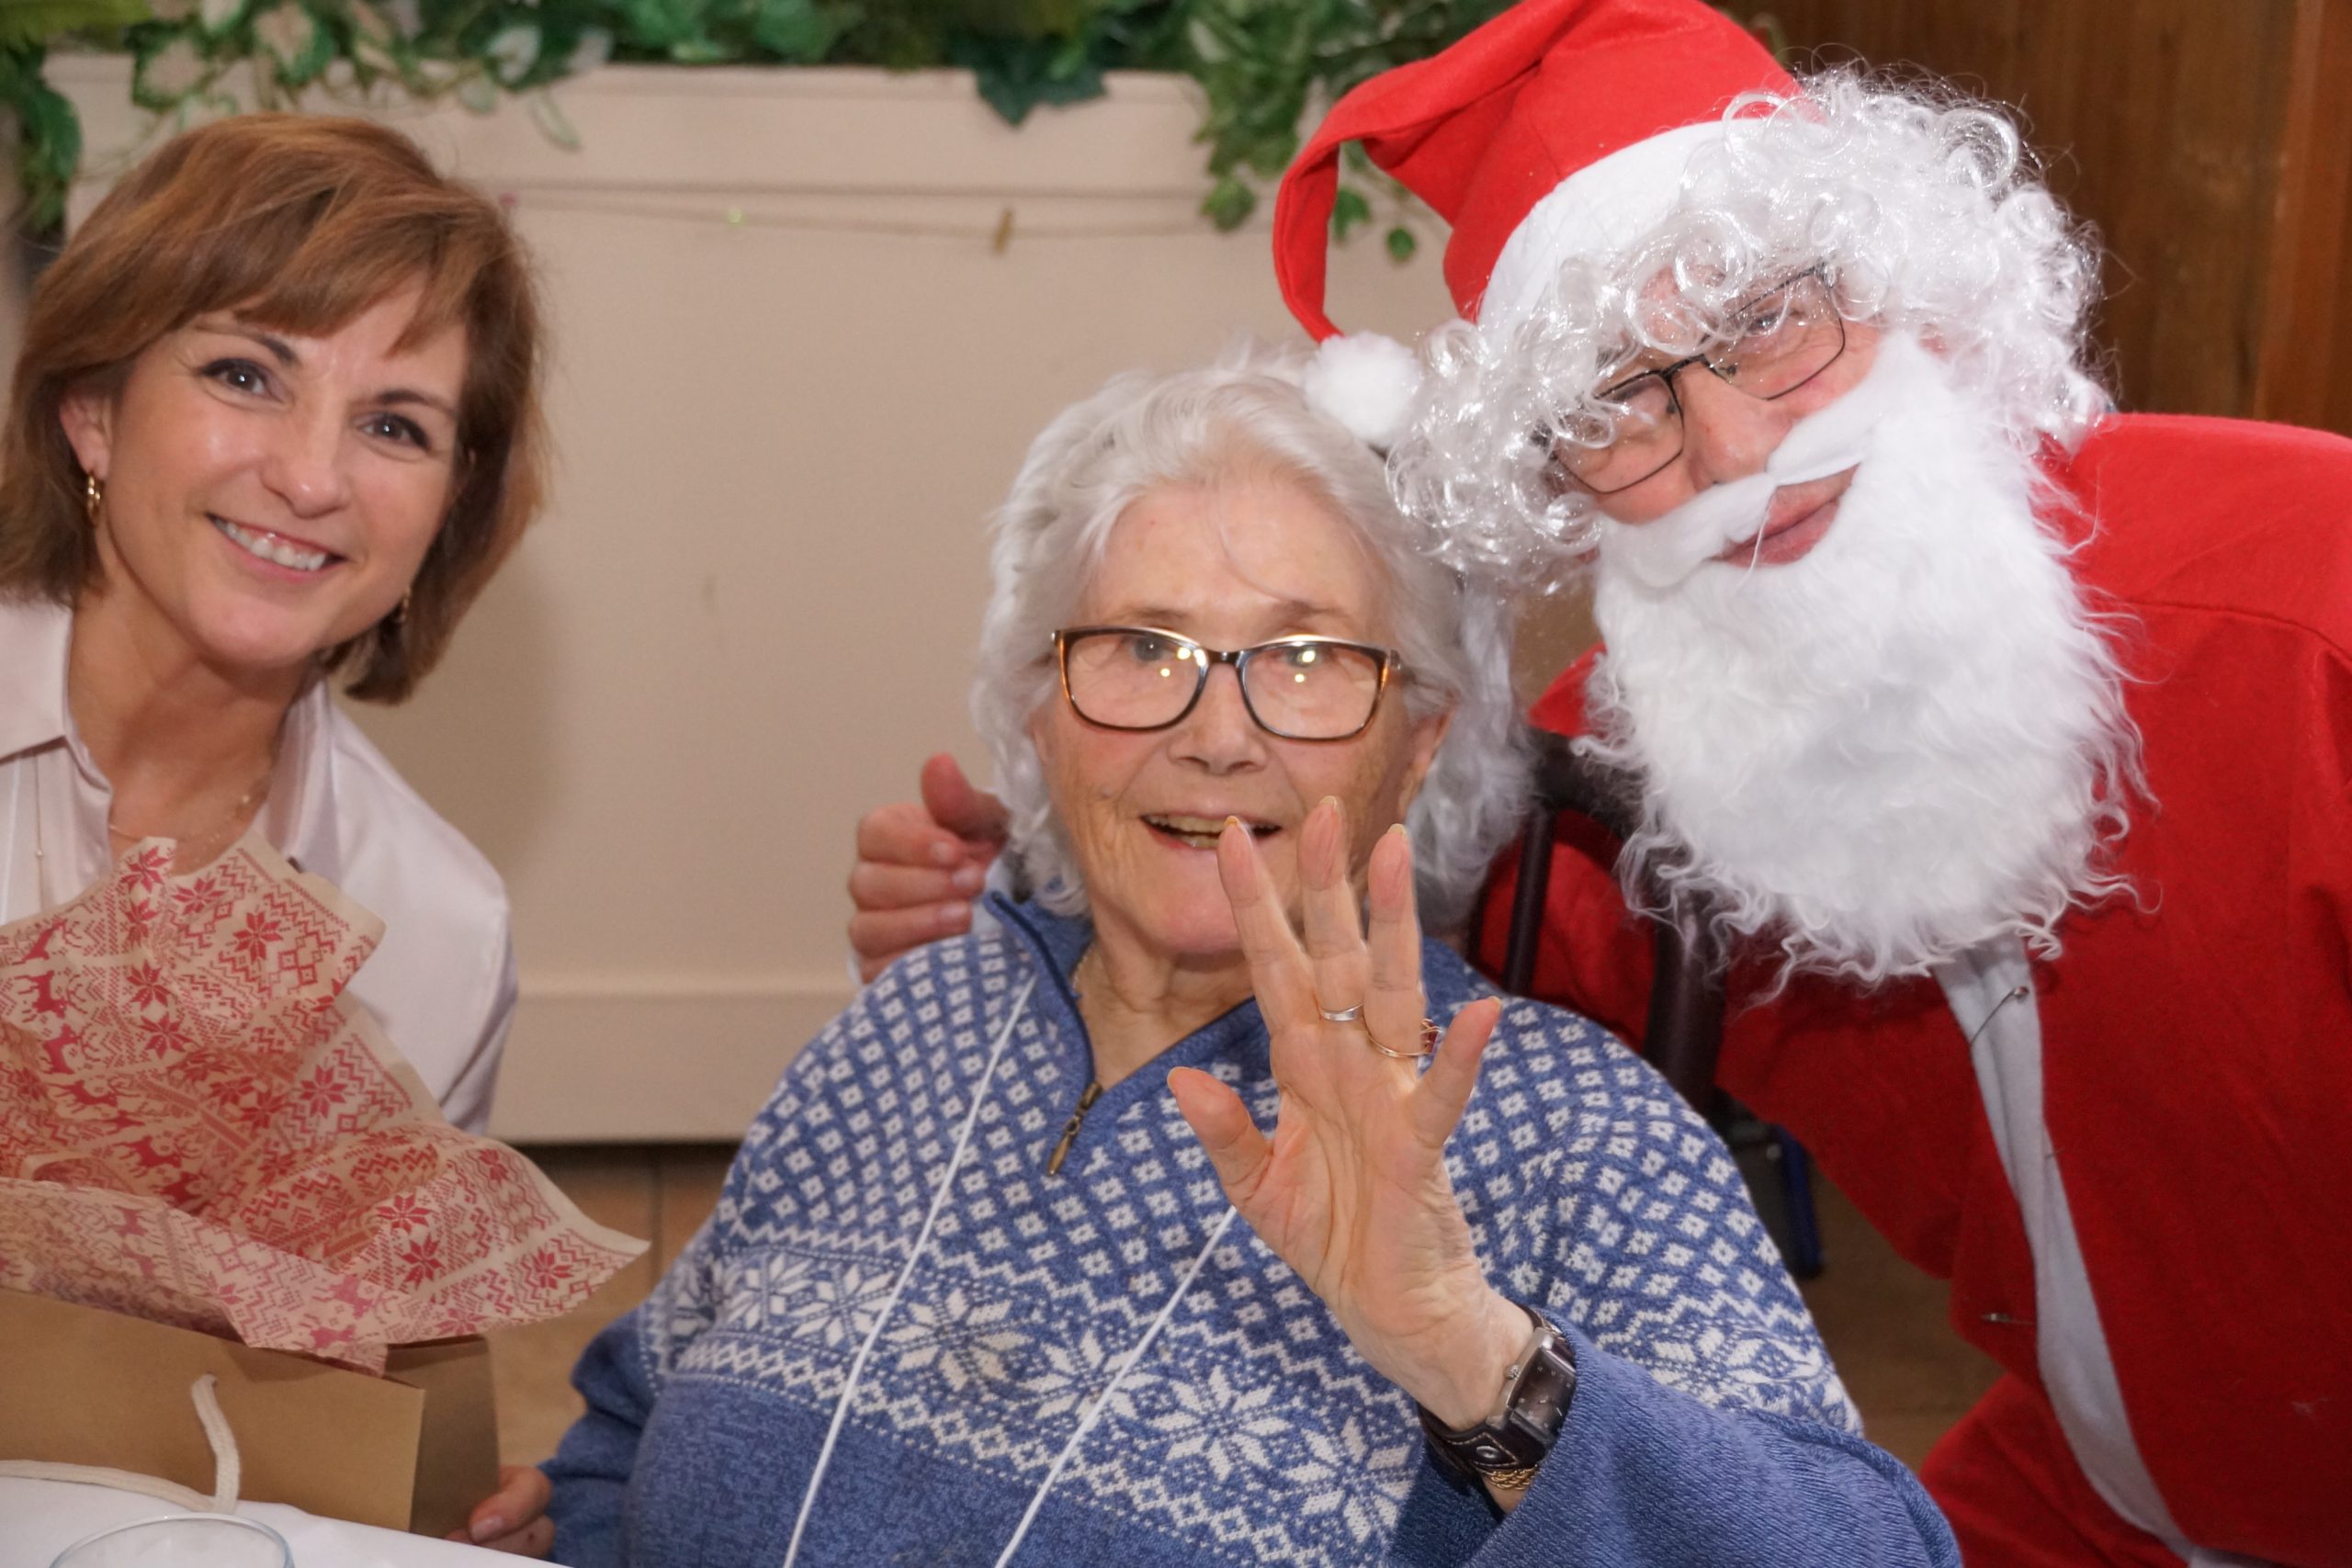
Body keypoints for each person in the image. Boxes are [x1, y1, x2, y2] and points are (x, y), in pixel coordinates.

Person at [844, 4, 2352, 1563]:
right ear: (1550, 482)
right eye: (1610, 404)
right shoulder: (1620, 786)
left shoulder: (2321, 613)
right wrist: (1045, 908)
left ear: (1914, 289)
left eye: (1772, 317)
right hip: (2119, 1496)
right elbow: (1330, 959)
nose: (1727, 443)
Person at [536, 347, 1956, 1566]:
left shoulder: (1568, 1131)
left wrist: (1470, 1353)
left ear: (1422, 743)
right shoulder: (924, 1014)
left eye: (1309, 659)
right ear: (1043, 713)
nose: (1216, 732)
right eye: (1144, 648)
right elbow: (628, 1418)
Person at [0, 114, 544, 1141]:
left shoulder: (436, 936)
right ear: (93, 411)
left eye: (394, 427)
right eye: (245, 376)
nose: (308, 479)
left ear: (445, 509)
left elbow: (384, 1303)